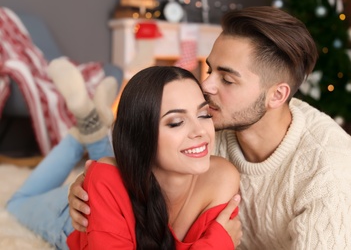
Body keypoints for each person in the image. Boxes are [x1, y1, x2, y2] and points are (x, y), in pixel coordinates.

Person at [69, 6, 351, 249]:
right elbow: (138, 164)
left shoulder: (330, 169)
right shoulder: (208, 126)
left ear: (277, 95)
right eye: (210, 69)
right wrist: (92, 190)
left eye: (227, 79)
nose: (206, 85)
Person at [6, 61, 242, 249]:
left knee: (110, 170)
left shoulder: (222, 176)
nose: (200, 131)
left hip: (123, 184)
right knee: (17, 203)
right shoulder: (105, 181)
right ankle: (79, 135)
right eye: (176, 122)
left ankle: (93, 129)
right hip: (72, 222)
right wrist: (216, 243)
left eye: (203, 115)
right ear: (142, 135)